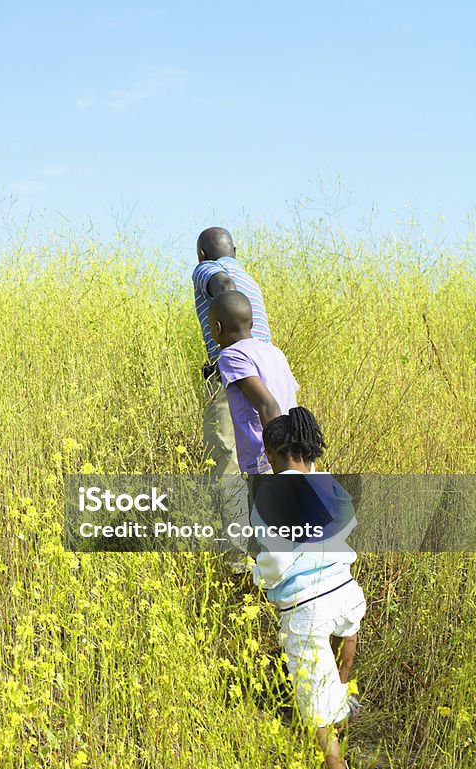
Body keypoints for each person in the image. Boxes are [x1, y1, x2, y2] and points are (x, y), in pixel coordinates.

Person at [254, 406, 365, 769]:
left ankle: (335, 763)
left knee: (314, 700)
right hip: (345, 590)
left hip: (307, 605)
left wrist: (260, 575)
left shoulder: (271, 495)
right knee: (345, 639)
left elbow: (279, 559)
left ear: (270, 455)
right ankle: (345, 703)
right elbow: (349, 518)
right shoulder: (325, 481)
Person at [192, 228, 272, 567]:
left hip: (235, 372)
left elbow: (223, 287)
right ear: (235, 251)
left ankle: (236, 561)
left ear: (201, 254)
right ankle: (272, 550)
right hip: (265, 370)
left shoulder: (206, 269)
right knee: (266, 459)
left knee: (226, 463)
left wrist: (235, 347)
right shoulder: (250, 278)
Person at [208, 290, 299, 476]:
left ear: (217, 328)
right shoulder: (274, 352)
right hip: (297, 454)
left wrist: (280, 465)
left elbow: (268, 405)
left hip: (268, 461)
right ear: (252, 323)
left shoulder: (230, 355)